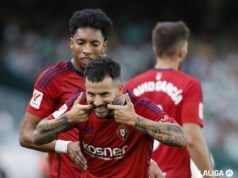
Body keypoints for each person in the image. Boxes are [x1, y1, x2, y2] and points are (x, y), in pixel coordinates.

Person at [32, 57, 186, 178]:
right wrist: (69, 119)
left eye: (104, 94)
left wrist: (135, 121)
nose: (97, 102)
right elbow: (38, 135)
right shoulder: (79, 103)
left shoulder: (140, 108)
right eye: (92, 94)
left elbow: (180, 137)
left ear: (119, 89)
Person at [19, 8, 113, 178]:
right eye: (81, 42)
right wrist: (65, 146)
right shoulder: (52, 79)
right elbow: (25, 135)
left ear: (104, 45)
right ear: (71, 43)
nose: (87, 50)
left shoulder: (113, 80)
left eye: (94, 44)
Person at [124, 21, 214, 178]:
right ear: (182, 51)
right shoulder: (189, 85)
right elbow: (192, 139)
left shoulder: (131, 86)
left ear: (155, 49)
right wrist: (209, 175)